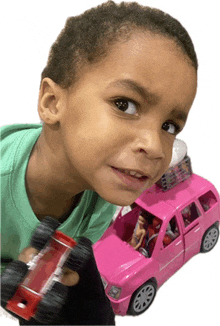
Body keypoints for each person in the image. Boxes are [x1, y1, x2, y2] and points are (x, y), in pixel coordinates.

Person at [1, 0, 198, 324]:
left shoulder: (106, 187)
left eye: (169, 126)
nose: (155, 148)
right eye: (125, 104)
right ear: (52, 102)